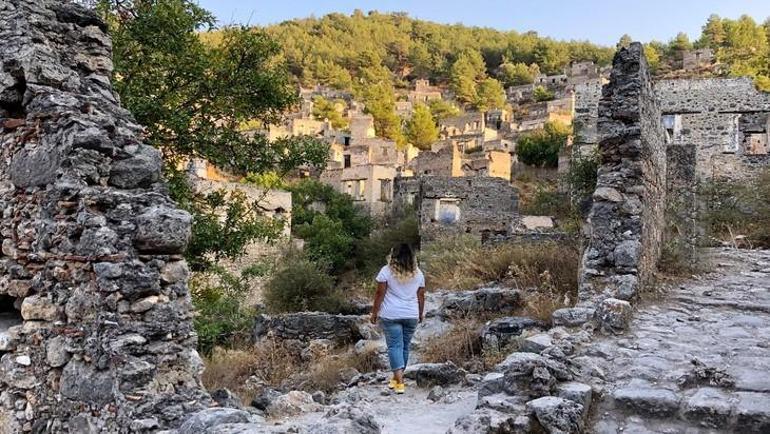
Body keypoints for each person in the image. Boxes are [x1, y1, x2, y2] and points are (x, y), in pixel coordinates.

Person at [370, 243, 425, 394]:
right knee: (405, 347)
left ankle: (400, 382)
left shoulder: (386, 271)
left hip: (391, 314)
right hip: (411, 314)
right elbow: (421, 295)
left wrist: (374, 313)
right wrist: (420, 313)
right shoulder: (418, 273)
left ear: (393, 256)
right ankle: (396, 379)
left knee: (395, 346)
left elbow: (379, 294)